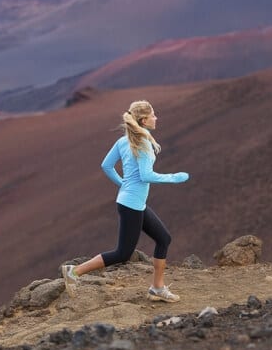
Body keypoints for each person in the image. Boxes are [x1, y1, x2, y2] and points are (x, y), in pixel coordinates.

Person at [61, 100, 189, 302]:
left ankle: (157, 288)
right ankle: (74, 272)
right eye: (153, 115)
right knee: (122, 253)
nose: (156, 118)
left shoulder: (124, 141)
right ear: (144, 120)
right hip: (131, 205)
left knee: (163, 238)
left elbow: (106, 166)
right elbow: (146, 175)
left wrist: (123, 184)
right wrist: (174, 177)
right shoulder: (143, 143)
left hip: (132, 202)